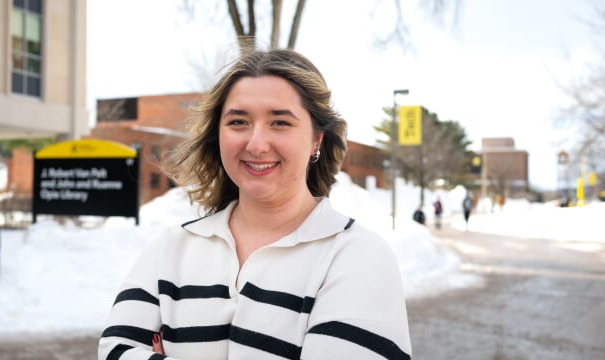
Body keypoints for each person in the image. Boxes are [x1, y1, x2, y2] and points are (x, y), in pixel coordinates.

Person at [98, 49, 411, 359]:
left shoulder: (357, 257)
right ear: (217, 134)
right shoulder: (172, 248)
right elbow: (115, 350)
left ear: (317, 139)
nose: (256, 144)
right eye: (238, 122)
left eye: (280, 123)